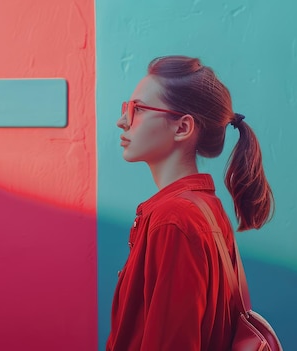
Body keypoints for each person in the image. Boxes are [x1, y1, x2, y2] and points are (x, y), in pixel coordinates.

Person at [106, 55, 274, 351]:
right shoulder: (203, 208)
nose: (122, 121)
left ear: (182, 128)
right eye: (126, 108)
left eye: (138, 109)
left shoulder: (175, 219)